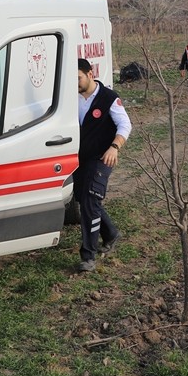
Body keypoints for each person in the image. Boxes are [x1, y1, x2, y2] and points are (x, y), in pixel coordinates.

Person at [75, 58, 132, 272]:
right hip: (81, 158)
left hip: (102, 157)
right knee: (84, 198)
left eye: (78, 78)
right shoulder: (70, 98)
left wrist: (114, 147)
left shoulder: (109, 98)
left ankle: (88, 256)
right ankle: (111, 233)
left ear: (90, 74)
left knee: (90, 200)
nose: (76, 83)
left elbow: (125, 125)